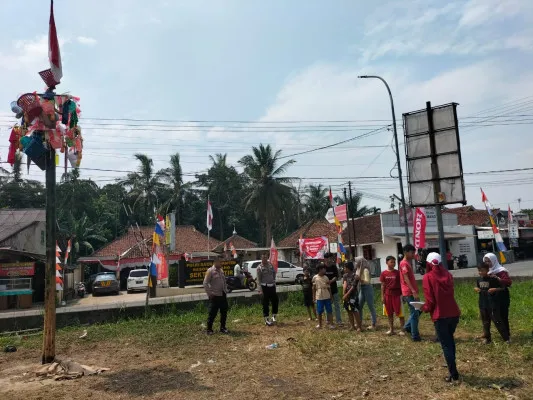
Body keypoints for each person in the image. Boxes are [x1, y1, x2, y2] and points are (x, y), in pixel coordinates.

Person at [421, 252, 461, 383]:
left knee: (446, 344)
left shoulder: (428, 277)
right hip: (453, 313)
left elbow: (430, 300)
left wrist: (424, 308)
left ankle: (453, 373)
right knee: (450, 341)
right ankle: (452, 366)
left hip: (440, 315)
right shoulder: (448, 275)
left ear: (428, 263)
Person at [475, 262, 509, 344]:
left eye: (482, 270)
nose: (480, 272)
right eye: (479, 270)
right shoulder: (479, 280)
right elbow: (479, 288)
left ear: (487, 270)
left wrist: (495, 289)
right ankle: (487, 338)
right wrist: (476, 289)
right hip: (483, 304)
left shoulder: (493, 279)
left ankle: (506, 338)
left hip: (492, 304)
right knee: (485, 322)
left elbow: (503, 288)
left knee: (497, 321)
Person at [483, 252, 512, 341]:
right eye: (485, 261)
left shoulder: (501, 270)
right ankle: (487, 336)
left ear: (494, 260)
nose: (487, 263)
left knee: (503, 315)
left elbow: (508, 282)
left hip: (501, 296)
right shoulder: (486, 271)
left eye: (489, 261)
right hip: (490, 296)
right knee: (490, 315)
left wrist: (498, 278)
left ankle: (507, 335)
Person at [203, 256, 229, 335]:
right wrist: (209, 294)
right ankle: (209, 329)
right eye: (220, 262)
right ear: (215, 262)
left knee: (224, 312)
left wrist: (226, 290)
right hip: (215, 296)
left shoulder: (221, 270)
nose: (222, 263)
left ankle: (222, 327)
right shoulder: (210, 271)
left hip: (222, 294)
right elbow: (205, 283)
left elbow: (224, 281)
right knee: (212, 313)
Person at [400, 244, 421, 342]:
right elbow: (406, 278)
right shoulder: (404, 263)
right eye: (412, 253)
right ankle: (415, 335)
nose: (413, 255)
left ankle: (407, 327)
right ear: (406, 252)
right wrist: (413, 291)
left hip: (411, 291)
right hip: (409, 292)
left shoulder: (407, 263)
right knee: (414, 313)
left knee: (418, 310)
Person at [380, 256, 405, 335]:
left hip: (397, 295)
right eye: (391, 262)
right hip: (388, 295)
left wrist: (403, 294)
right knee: (389, 313)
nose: (393, 263)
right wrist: (382, 296)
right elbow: (383, 285)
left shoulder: (398, 273)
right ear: (387, 263)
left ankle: (402, 330)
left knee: (401, 313)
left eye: (394, 262)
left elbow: (402, 283)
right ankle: (391, 329)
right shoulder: (384, 273)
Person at [257, 253, 279, 326]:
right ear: (261, 258)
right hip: (264, 287)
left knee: (275, 300)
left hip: (272, 286)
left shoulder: (270, 265)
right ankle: (266, 319)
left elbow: (274, 274)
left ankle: (274, 315)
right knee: (265, 303)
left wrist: (273, 281)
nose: (265, 259)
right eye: (263, 258)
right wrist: (260, 290)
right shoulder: (259, 267)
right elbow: (259, 280)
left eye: (266, 257)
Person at [355, 256, 377, 330]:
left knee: (371, 306)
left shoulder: (365, 270)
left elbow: (367, 281)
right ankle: (359, 322)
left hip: (367, 288)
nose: (355, 263)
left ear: (360, 262)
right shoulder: (358, 270)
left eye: (357, 261)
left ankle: (374, 324)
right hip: (361, 288)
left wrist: (360, 280)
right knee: (359, 306)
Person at [313, 262, 334, 329]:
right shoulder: (315, 277)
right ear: (320, 270)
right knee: (319, 311)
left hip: (326, 295)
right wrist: (313, 297)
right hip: (319, 296)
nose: (325, 270)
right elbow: (313, 288)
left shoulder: (326, 277)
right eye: (324, 269)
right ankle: (320, 324)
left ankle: (331, 324)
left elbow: (329, 288)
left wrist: (331, 296)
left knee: (329, 310)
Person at [343, 261, 362, 332]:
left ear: (348, 268)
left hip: (353, 295)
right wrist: (344, 294)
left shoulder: (355, 276)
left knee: (354, 311)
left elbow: (353, 286)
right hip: (346, 295)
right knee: (349, 310)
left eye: (345, 267)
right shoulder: (345, 275)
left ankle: (359, 327)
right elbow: (344, 285)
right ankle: (352, 326)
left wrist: (347, 295)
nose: (344, 269)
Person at [325, 252, 342, 324]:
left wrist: (331, 281)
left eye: (331, 258)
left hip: (334, 288)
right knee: (327, 305)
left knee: (336, 305)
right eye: (329, 258)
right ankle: (328, 320)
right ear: (325, 258)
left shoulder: (334, 266)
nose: (331, 259)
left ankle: (339, 320)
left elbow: (336, 276)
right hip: (326, 289)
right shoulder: (323, 267)